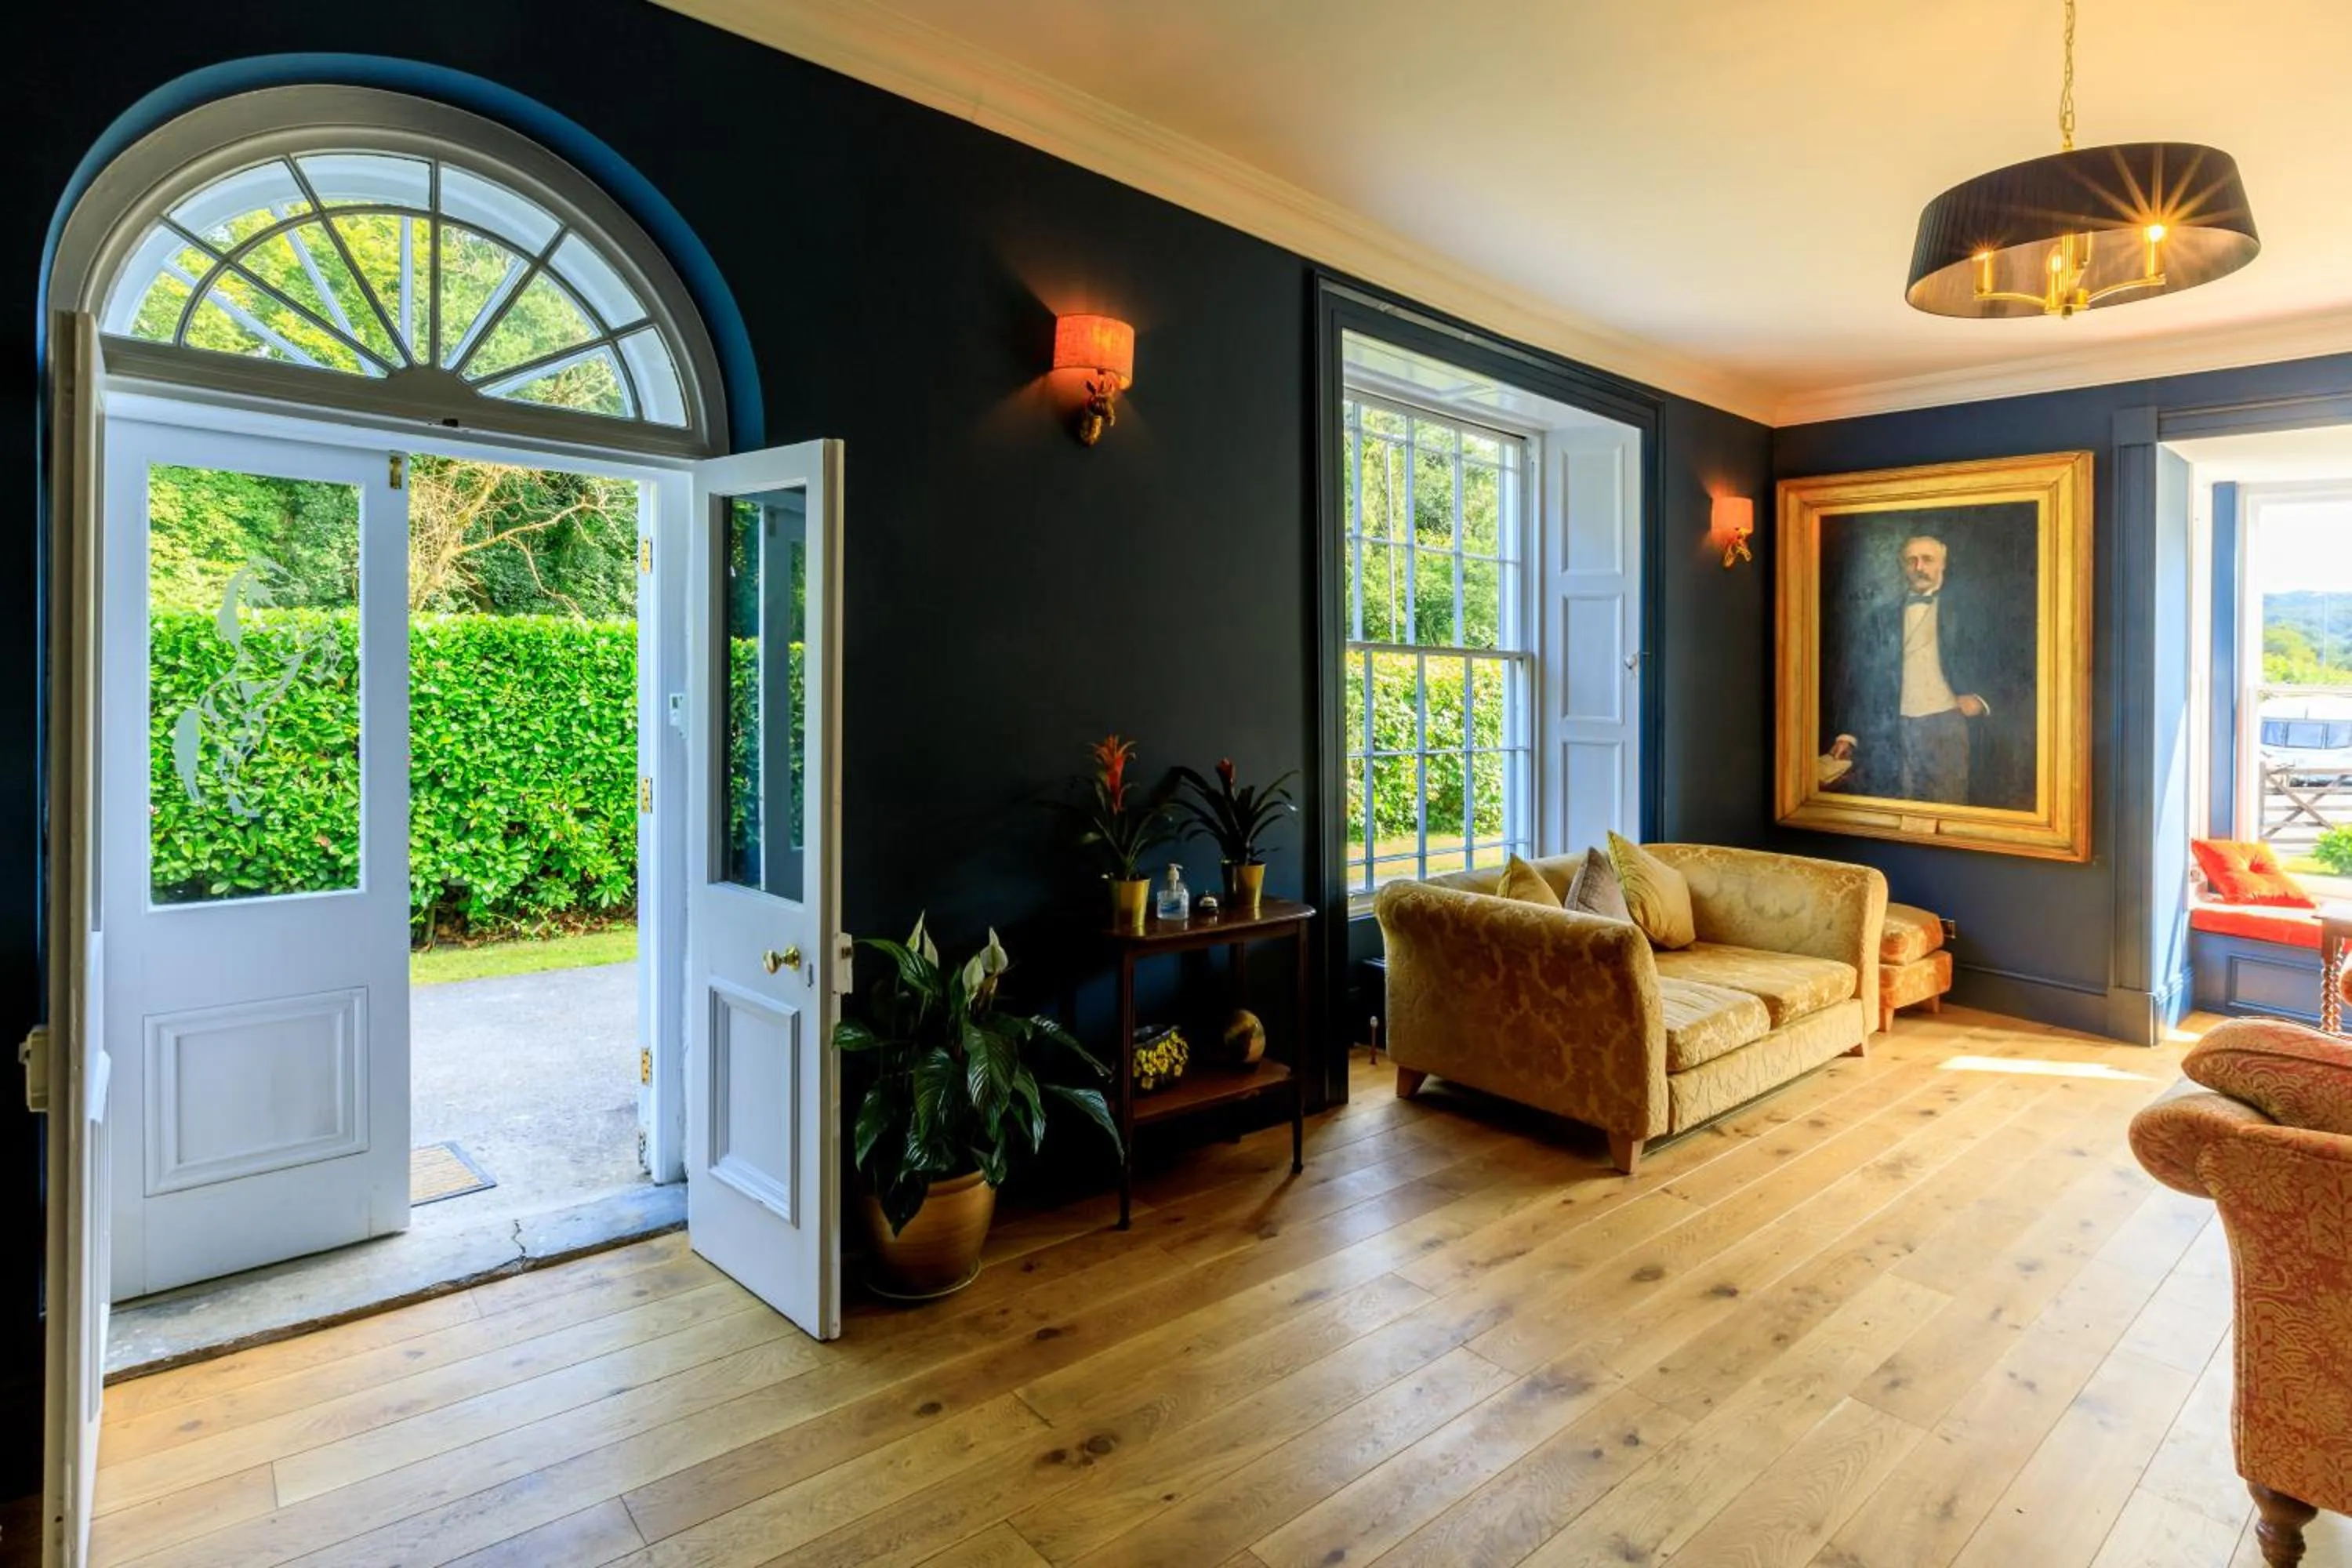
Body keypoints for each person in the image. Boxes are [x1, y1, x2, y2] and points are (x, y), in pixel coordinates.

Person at [1824, 533, 2020, 808]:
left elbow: (2009, 661)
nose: (1919, 567)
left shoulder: (1969, 611)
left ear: (1942, 564)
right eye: (1911, 561)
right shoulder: (1880, 618)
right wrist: (1848, 734)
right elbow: (1862, 679)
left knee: (1948, 807)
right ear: (1903, 567)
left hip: (1948, 724)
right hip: (1893, 726)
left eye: (1927, 560)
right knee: (1899, 808)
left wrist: (1981, 699)